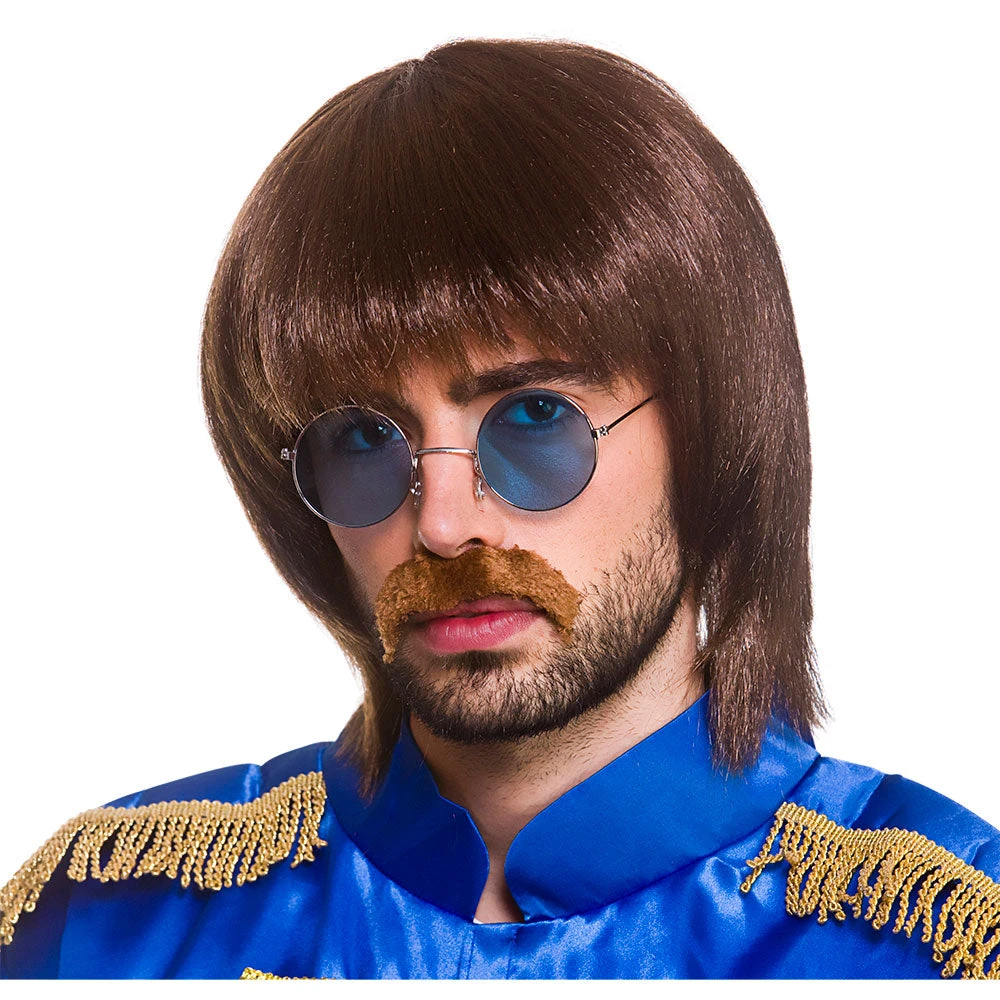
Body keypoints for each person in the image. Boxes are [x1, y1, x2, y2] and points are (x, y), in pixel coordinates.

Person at [1, 38, 997, 980]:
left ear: (709, 434)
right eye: (363, 441)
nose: (442, 525)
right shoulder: (110, 929)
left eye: (533, 418)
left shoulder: (936, 946)